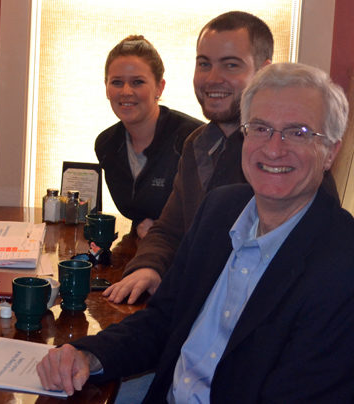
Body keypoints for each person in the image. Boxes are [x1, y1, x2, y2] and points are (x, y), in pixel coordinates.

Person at [38, 62, 354, 403]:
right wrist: (87, 355)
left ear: (331, 152)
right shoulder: (220, 209)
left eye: (298, 132)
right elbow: (165, 320)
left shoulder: (342, 265)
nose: (274, 148)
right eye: (260, 128)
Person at [104, 11, 274, 304]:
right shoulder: (198, 144)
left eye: (231, 65)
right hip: (189, 307)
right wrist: (148, 267)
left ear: (264, 72)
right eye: (204, 64)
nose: (212, 78)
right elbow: (169, 228)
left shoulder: (281, 154)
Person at [95, 35, 203, 239]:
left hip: (185, 253)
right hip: (138, 246)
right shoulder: (106, 144)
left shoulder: (193, 139)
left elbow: (211, 218)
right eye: (117, 82)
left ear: (159, 88)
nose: (126, 92)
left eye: (137, 82)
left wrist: (163, 231)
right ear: (107, 88)